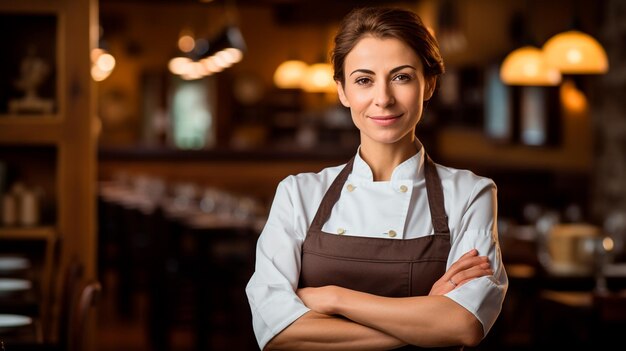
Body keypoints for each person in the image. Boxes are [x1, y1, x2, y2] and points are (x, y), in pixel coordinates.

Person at [246, 6, 508, 350]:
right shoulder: (298, 194)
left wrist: (335, 299)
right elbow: (277, 332)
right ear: (342, 91)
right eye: (363, 80)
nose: (383, 99)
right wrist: (425, 322)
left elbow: (463, 325)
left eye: (401, 77)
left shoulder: (470, 193)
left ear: (428, 84)